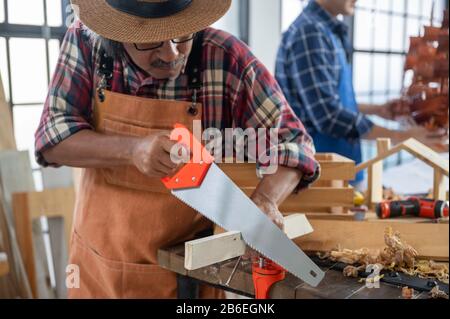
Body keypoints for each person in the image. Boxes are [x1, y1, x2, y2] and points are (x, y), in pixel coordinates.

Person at [35, 0, 320, 298]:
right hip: (98, 267)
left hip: (187, 275)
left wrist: (264, 201)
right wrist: (132, 149)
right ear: (115, 36)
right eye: (150, 41)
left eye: (181, 35)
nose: (171, 54)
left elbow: (294, 142)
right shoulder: (86, 41)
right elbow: (51, 139)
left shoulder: (224, 56)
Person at [276, 0, 446, 185]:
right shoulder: (311, 33)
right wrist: (401, 137)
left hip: (339, 168)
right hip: (321, 174)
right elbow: (328, 116)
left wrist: (376, 109)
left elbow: (319, 102)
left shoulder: (323, 30)